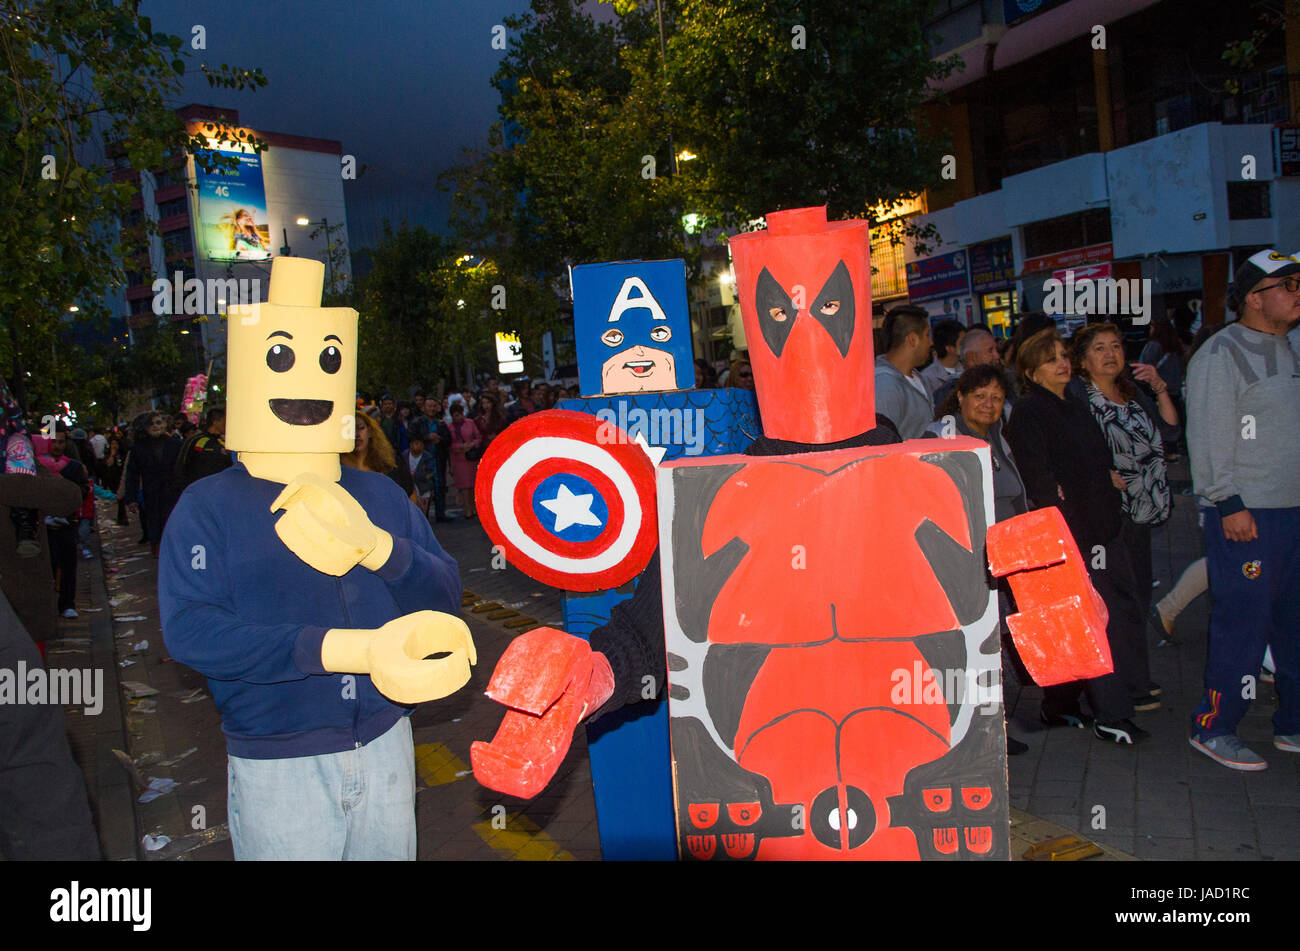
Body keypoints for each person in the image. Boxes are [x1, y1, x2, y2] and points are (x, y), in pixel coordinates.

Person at [1003, 328, 1149, 745]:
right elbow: (1038, 477)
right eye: (1051, 359)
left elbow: (1095, 459)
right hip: (1074, 535)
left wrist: (1107, 479)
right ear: (1031, 371)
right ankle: (1112, 714)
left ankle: (1063, 704)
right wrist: (1063, 512)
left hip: (1103, 527)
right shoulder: (1031, 411)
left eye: (1064, 355)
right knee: (1097, 623)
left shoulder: (1074, 403)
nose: (1063, 363)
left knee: (1095, 618)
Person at [1185, 249, 1300, 770]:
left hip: (1295, 511)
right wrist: (1227, 501)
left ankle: (1292, 724)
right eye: (1287, 284)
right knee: (1244, 624)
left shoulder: (1296, 345)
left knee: (1294, 623)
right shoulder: (1220, 353)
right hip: (1250, 515)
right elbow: (1207, 435)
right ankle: (1215, 727)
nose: (1297, 292)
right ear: (1254, 298)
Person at [1070, 321, 1179, 712]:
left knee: (1137, 595)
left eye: (1115, 346)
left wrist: (1161, 387)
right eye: (1099, 348)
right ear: (1082, 360)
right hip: (1108, 515)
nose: (1110, 354)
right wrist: (1100, 475)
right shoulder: (1078, 398)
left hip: (1144, 510)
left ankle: (1136, 676)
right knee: (1116, 600)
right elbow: (1072, 453)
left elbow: (1170, 434)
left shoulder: (1133, 394)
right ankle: (1126, 684)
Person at [925, 363, 1030, 755]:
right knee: (972, 649)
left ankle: (991, 729)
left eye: (997, 398)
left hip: (1001, 560)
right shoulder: (943, 438)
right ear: (961, 397)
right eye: (981, 396)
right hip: (964, 565)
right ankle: (974, 734)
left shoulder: (998, 435)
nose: (989, 404)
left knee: (990, 647)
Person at [36, 429, 89, 618]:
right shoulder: (37, 466)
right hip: (43, 524)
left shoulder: (73, 467)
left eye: (60, 442)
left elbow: (82, 490)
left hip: (68, 521)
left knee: (68, 564)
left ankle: (67, 604)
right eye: (53, 442)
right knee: (47, 565)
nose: (57, 446)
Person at [120, 412, 182, 557]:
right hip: (152, 494)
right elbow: (132, 474)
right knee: (154, 526)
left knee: (173, 525)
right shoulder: (139, 448)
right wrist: (131, 498)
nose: (155, 426)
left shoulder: (175, 445)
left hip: (173, 492)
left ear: (165, 425)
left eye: (158, 423)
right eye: (151, 424)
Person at [873, 305, 934, 439]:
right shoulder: (884, 385)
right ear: (912, 339)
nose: (930, 342)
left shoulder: (919, 378)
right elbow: (882, 445)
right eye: (927, 335)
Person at [933, 326, 1000, 408]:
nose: (997, 356)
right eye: (990, 351)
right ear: (971, 357)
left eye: (996, 349)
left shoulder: (1002, 385)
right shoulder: (949, 393)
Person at [175, 406, 232, 491]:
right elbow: (181, 464)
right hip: (198, 489)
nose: (228, 424)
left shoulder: (226, 443)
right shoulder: (195, 440)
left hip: (220, 489)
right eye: (225, 421)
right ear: (215, 421)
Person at [919, 318, 965, 401]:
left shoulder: (965, 370)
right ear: (949, 348)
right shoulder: (928, 378)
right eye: (962, 343)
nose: (966, 346)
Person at [448, 403, 481, 519]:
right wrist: (460, 447)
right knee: (464, 486)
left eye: (460, 414)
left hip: (471, 457)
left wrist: (471, 444)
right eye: (456, 415)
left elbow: (478, 437)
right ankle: (468, 509)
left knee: (473, 484)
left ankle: (474, 508)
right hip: (458, 459)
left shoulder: (470, 423)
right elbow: (449, 444)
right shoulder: (449, 427)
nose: (459, 417)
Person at [342, 410, 399, 477]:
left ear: (370, 431)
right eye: (350, 430)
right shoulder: (337, 466)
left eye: (360, 428)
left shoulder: (385, 465)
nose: (356, 434)